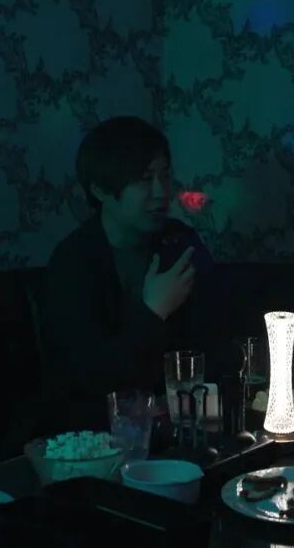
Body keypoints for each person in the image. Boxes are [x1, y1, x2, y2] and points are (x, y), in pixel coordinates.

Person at [35, 116, 213, 432]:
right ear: (101, 190)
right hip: (98, 435)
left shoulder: (179, 244)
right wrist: (153, 311)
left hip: (180, 426)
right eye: (144, 179)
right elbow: (93, 378)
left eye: (165, 176)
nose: (160, 192)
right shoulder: (75, 262)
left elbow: (212, 342)